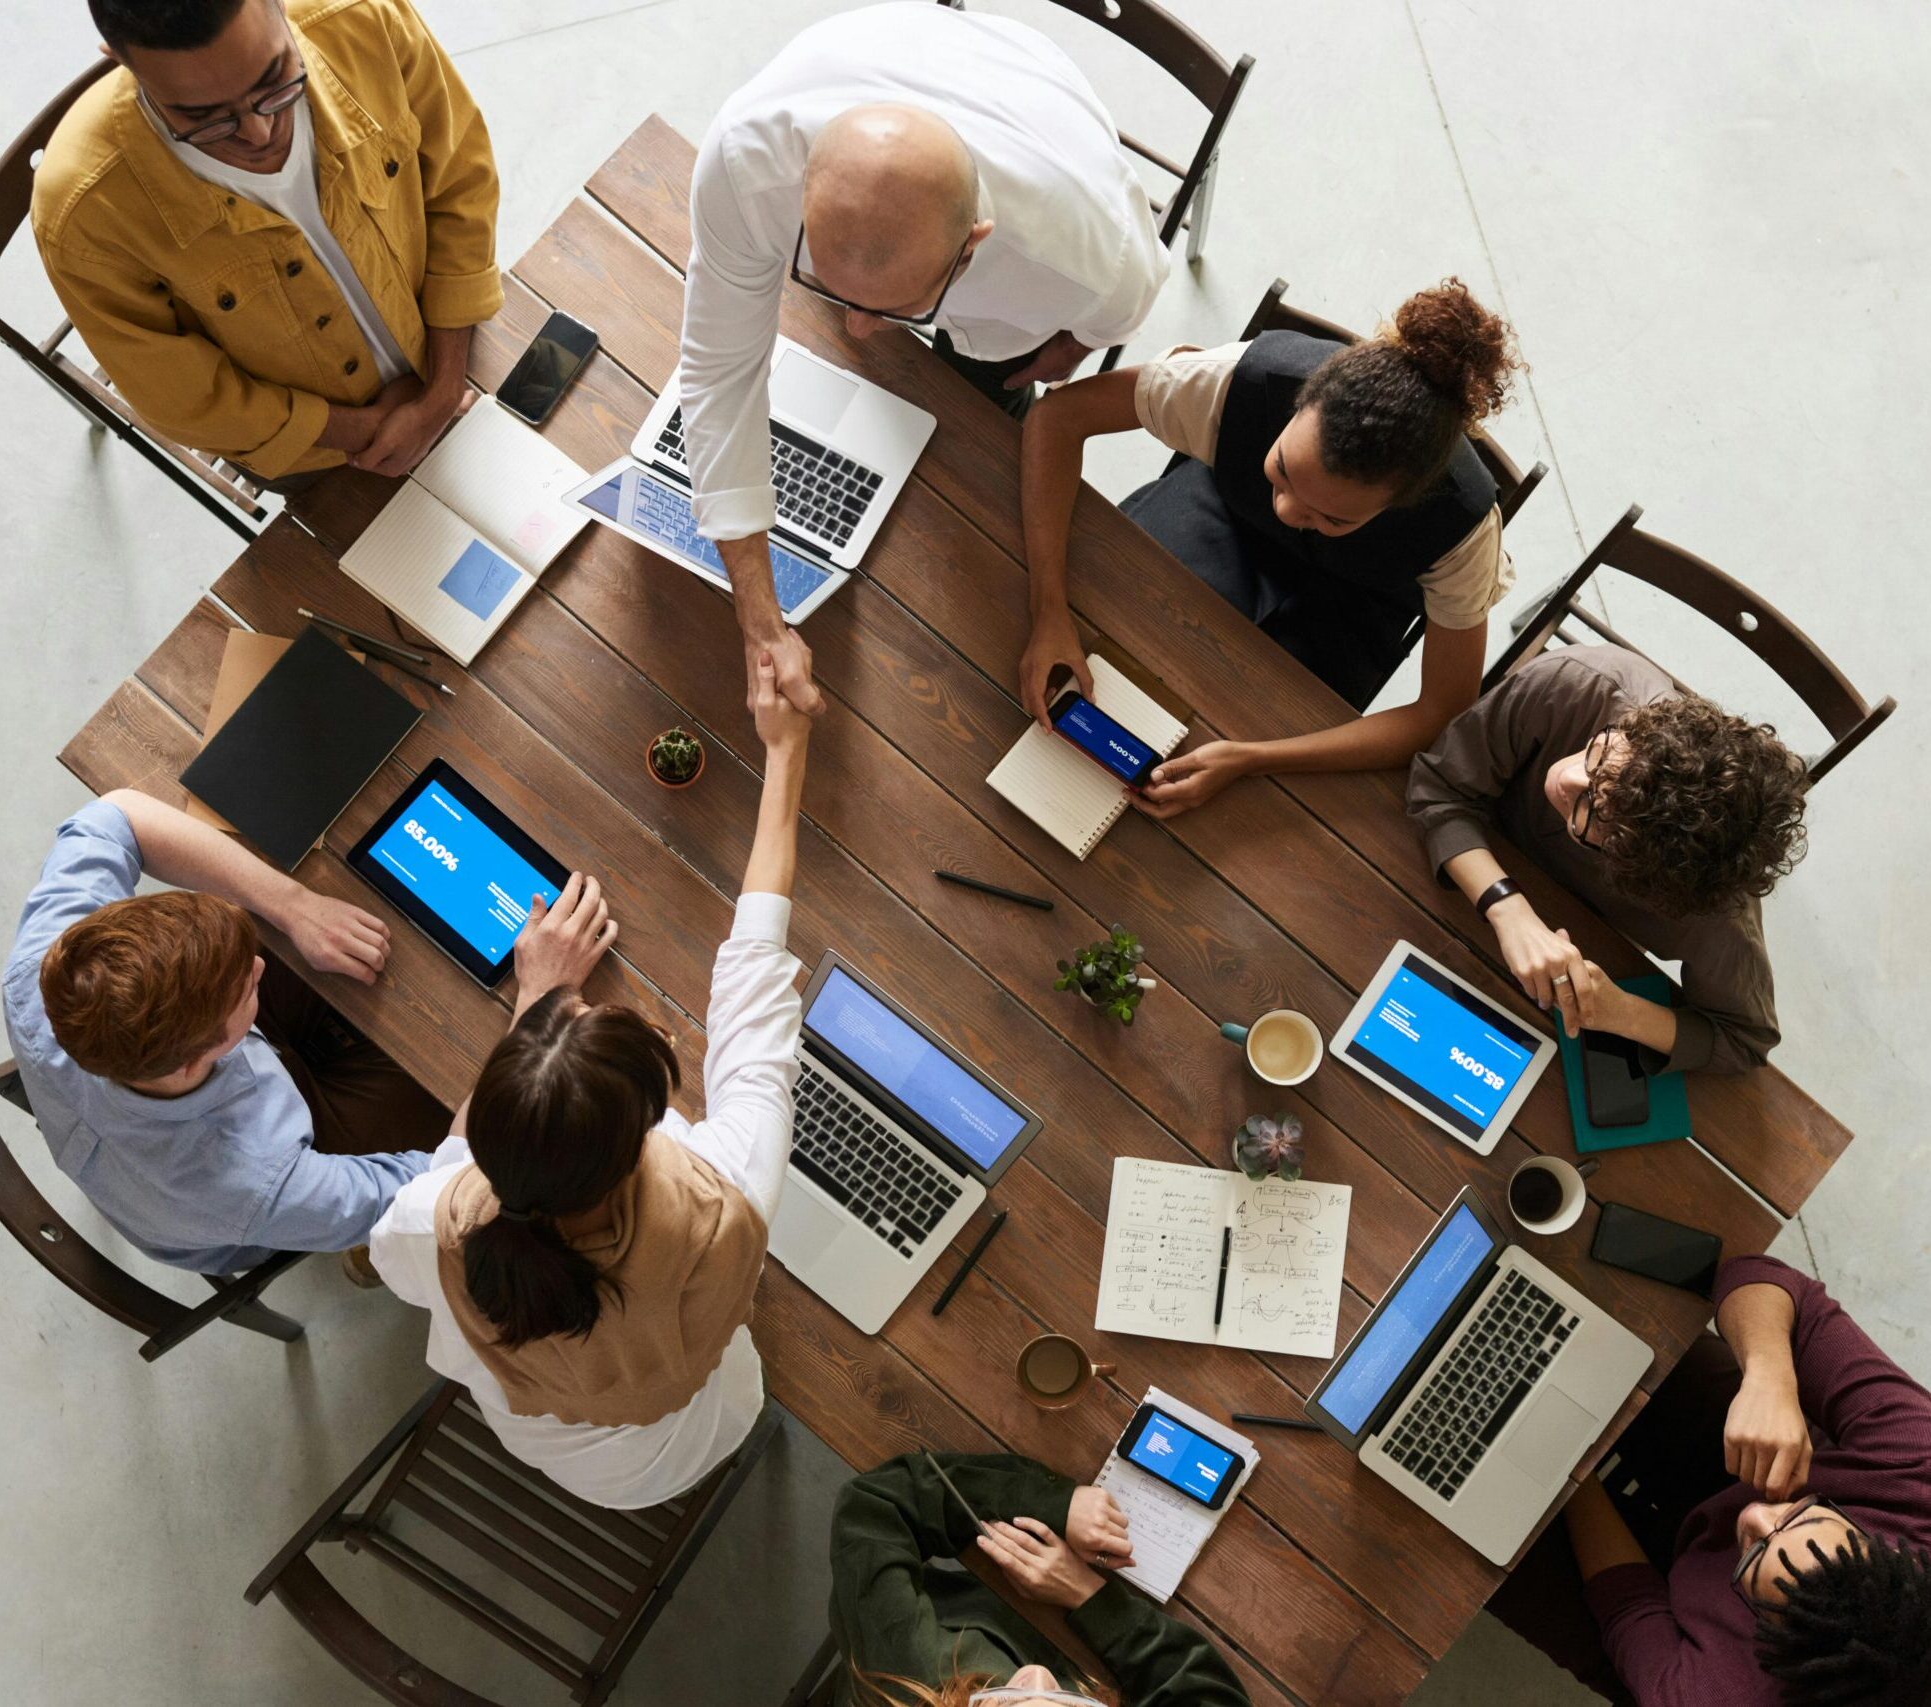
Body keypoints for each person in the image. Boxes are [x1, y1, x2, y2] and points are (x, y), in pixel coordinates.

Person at [370, 653, 811, 1506]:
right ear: (643, 1138)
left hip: (559, 1447)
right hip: (690, 1432)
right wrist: (788, 751)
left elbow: (417, 1228)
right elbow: (757, 982)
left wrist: (534, 997)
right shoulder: (725, 1197)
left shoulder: (436, 1217)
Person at [684, 1, 1169, 720]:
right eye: (827, 284)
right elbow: (719, 374)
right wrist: (761, 615)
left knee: (983, 447)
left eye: (890, 309)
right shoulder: (742, 162)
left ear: (973, 245)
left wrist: (1062, 352)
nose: (856, 330)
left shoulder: (1090, 263)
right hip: (899, 60)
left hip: (1034, 122)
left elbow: (1103, 324)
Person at [1019, 279, 1523, 814]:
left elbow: (1441, 710)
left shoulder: (1461, 529)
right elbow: (1058, 417)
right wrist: (1047, 608)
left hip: (1357, 602)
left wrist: (1251, 759)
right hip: (1224, 514)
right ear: (1297, 405)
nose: (1287, 511)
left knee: (1260, 746)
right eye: (1282, 471)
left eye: (1331, 515)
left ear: (1402, 504)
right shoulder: (1237, 383)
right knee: (1115, 630)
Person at [33, 0, 502, 485]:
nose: (259, 133)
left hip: (455, 341)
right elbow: (183, 399)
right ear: (119, 59)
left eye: (275, 81)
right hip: (319, 455)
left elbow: (461, 180)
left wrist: (442, 392)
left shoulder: (362, 18)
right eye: (204, 118)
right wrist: (369, 432)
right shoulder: (82, 212)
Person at [2, 790, 447, 1275]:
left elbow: (118, 812)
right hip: (248, 1206)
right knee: (468, 1102)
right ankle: (366, 1258)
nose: (258, 965)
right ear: (195, 1061)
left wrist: (294, 906)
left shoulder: (53, 968)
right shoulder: (254, 1185)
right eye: (247, 987)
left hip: (158, 1145)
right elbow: (437, 1193)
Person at [1486, 1255, 1931, 1705]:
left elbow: (1629, 1603)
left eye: (1755, 1555)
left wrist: (1567, 1461)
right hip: (1761, 1460)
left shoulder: (1717, 1695)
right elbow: (1757, 1276)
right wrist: (1769, 1377)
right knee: (1625, 1322)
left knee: (1486, 1543)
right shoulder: (1918, 1470)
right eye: (1804, 1515)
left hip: (1672, 1630)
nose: (1756, 1514)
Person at [1406, 644, 1809, 1073]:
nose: (1568, 777)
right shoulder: (1578, 683)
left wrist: (1618, 1010)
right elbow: (1439, 785)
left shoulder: (1714, 909)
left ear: (1637, 868)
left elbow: (1743, 1041)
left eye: (1593, 813)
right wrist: (1508, 910)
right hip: (1443, 881)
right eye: (1600, 757)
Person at [829, 1450, 1249, 1707]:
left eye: (1001, 1703)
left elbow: (873, 1509)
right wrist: (1087, 1595)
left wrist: (1051, 1503)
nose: (1037, 1677)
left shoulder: (905, 1668)